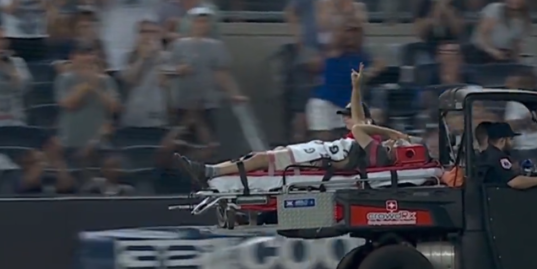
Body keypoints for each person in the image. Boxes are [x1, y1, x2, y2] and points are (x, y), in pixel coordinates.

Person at [176, 65, 412, 186]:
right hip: (315, 151)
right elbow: (359, 124)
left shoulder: (372, 144)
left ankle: (210, 171)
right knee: (268, 155)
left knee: (261, 158)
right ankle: (212, 171)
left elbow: (361, 125)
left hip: (317, 157)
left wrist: (357, 89)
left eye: (349, 116)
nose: (346, 120)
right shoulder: (358, 139)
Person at [479, 122, 537, 190]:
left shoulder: (488, 154)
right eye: (510, 139)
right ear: (502, 140)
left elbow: (502, 172)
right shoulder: (499, 158)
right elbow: (515, 182)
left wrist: (519, 165)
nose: (512, 143)